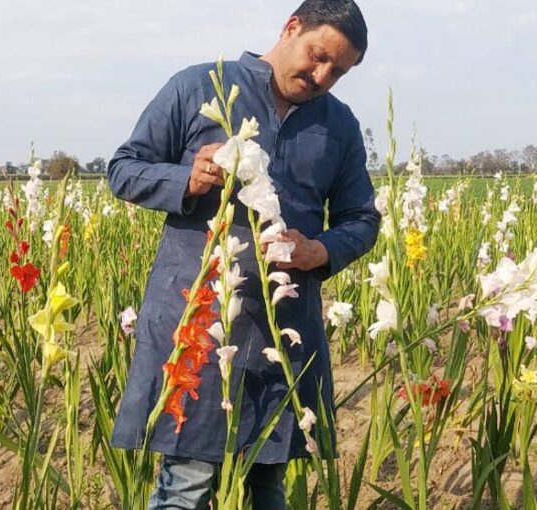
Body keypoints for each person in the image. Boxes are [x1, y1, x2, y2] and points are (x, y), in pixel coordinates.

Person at [107, 1, 380, 508]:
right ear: (291, 27)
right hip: (200, 322)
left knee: (268, 486)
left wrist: (320, 249)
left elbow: (362, 220)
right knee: (186, 485)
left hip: (282, 331)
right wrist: (185, 178)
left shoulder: (338, 125)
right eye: (318, 56)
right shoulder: (199, 87)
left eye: (338, 72)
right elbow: (123, 169)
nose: (322, 76)